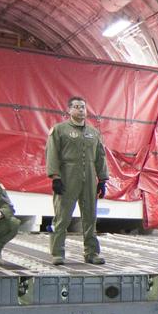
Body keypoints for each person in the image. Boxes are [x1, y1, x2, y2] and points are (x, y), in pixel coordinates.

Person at [46, 95, 109, 266]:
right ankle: (57, 253)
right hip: (67, 175)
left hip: (88, 177)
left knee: (90, 216)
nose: (81, 110)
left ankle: (92, 252)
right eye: (76, 107)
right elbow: (52, 153)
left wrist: (102, 179)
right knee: (62, 216)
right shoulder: (59, 130)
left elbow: (100, 157)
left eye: (83, 107)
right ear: (69, 110)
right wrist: (55, 177)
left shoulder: (93, 133)